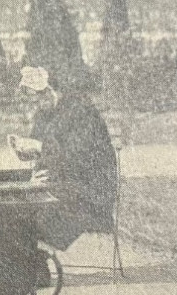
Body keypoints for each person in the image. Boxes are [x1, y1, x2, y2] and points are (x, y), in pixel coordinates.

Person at [10, 66, 118, 251]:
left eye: (36, 100)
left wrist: (39, 147)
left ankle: (33, 265)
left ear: (50, 90)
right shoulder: (45, 113)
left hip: (90, 191)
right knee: (15, 211)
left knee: (30, 218)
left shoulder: (80, 111)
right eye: (30, 103)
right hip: (64, 183)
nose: (34, 108)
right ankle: (30, 264)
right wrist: (23, 151)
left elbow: (80, 158)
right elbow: (44, 152)